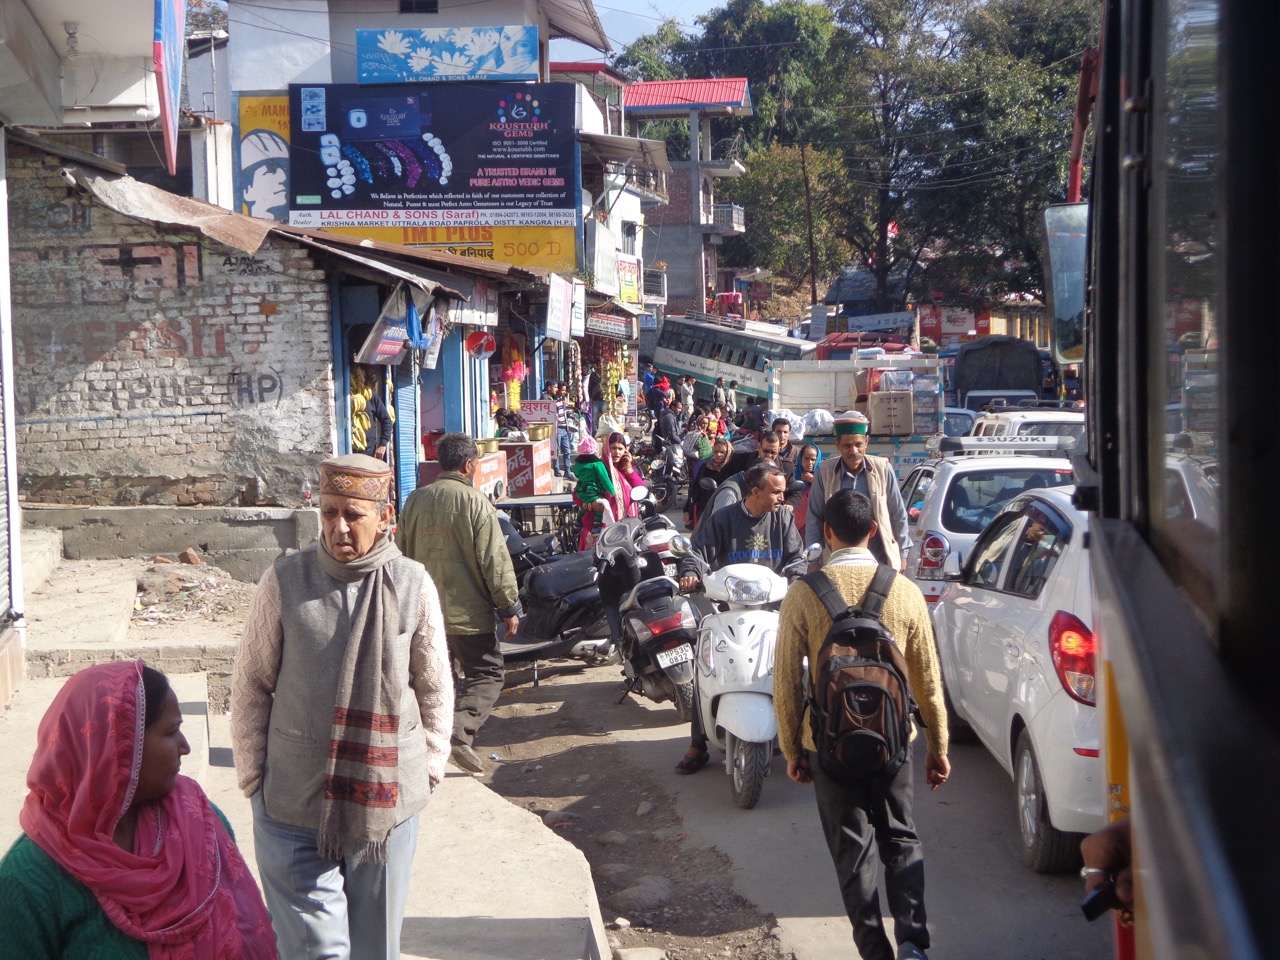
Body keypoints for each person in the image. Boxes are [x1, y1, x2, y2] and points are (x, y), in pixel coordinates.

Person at [232, 453, 452, 960]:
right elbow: (250, 684)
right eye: (329, 512)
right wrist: (252, 777)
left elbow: (435, 684)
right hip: (291, 798)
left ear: (384, 516)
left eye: (353, 514)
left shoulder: (413, 584)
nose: (339, 527)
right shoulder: (284, 582)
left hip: (384, 802)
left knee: (375, 949)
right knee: (314, 951)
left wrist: (432, 765)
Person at [0, 661, 277, 960]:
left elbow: (248, 927)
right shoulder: (29, 881)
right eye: (171, 733)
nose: (185, 747)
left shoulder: (201, 822)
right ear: (120, 748)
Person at [774, 490, 950, 960]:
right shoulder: (905, 591)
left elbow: (788, 681)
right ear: (873, 531)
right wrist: (938, 744)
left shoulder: (803, 595)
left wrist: (793, 749)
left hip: (828, 746)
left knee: (852, 853)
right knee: (902, 838)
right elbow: (927, 678)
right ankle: (914, 943)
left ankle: (875, 951)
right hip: (894, 743)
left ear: (826, 533)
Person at [398, 436, 522, 774]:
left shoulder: (415, 501)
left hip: (424, 614)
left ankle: (428, 744)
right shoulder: (477, 503)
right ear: (469, 466)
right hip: (468, 615)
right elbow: (495, 563)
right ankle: (458, 731)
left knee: (438, 678)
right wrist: (510, 606)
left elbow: (400, 556)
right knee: (487, 674)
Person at [674, 462, 804, 772]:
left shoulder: (783, 521)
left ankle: (800, 736)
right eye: (776, 492)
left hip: (770, 611)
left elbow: (797, 559)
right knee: (704, 666)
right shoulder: (722, 519)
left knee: (797, 665)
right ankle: (697, 743)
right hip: (726, 611)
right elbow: (696, 552)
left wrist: (797, 582)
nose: (782, 499)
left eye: (783, 493)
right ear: (755, 491)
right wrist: (691, 573)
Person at [805, 413, 910, 571]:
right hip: (836, 564)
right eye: (847, 445)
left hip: (879, 562)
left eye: (858, 444)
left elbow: (897, 514)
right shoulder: (824, 472)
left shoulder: (883, 469)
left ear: (866, 442)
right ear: (837, 444)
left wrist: (902, 554)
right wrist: (813, 561)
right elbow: (815, 517)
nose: (853, 451)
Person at [571, 435, 617, 549]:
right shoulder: (598, 465)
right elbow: (604, 478)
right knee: (600, 507)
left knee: (585, 506)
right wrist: (612, 491)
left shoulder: (578, 465)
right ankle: (596, 525)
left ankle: (577, 521)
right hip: (593, 492)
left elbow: (576, 474)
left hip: (582, 491)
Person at [683, 437, 738, 529]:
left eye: (722, 452)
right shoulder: (706, 467)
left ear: (728, 452)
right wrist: (687, 510)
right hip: (704, 511)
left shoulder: (732, 469)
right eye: (716, 452)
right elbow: (694, 489)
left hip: (725, 513)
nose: (718, 455)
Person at [604, 431, 645, 519]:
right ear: (607, 448)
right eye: (613, 448)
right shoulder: (600, 468)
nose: (617, 452)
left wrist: (629, 469)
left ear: (625, 450)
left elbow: (641, 488)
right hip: (604, 522)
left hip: (627, 523)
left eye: (620, 449)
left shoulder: (626, 468)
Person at [791, 440, 822, 527]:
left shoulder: (822, 476)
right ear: (800, 459)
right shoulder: (792, 476)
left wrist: (813, 480)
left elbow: (827, 494)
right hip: (794, 524)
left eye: (813, 459)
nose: (810, 463)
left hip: (815, 525)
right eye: (806, 458)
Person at [553, 381, 573, 477]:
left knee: (567, 451)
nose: (564, 392)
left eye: (565, 390)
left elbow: (563, 414)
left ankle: (567, 472)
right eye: (562, 390)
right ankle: (557, 471)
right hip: (557, 429)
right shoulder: (553, 400)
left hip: (564, 428)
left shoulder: (562, 400)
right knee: (556, 451)